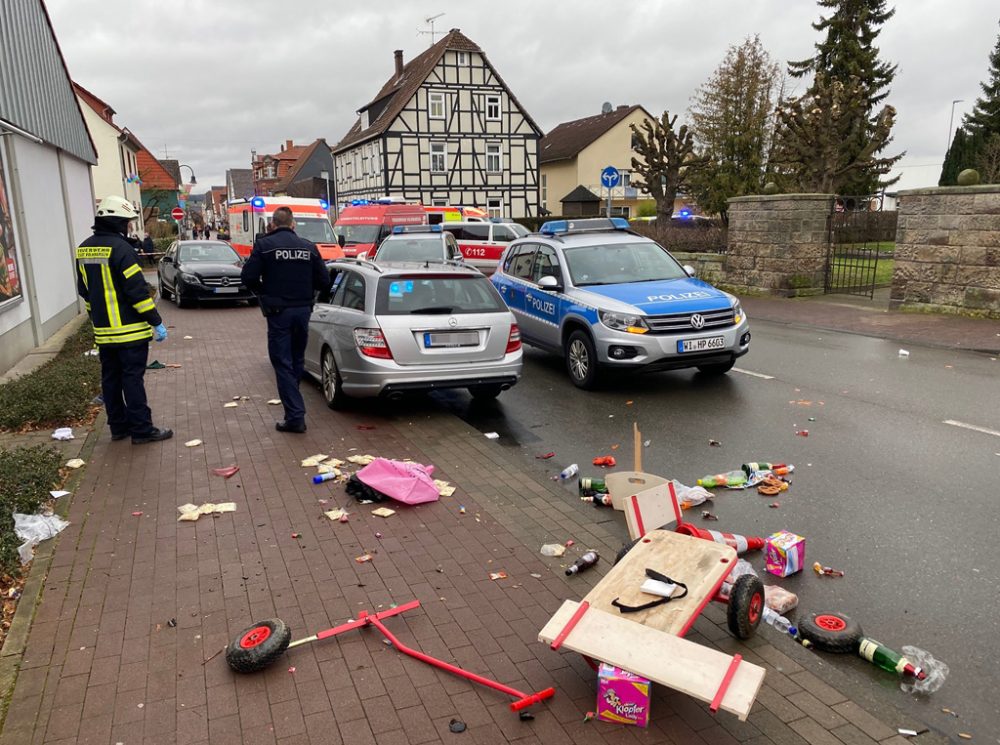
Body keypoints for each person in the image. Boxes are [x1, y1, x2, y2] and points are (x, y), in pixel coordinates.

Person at [76, 196, 172, 445]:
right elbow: (137, 292)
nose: (129, 227)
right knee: (132, 380)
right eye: (127, 222)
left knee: (110, 379)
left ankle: (118, 427)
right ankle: (142, 429)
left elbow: (85, 291)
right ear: (118, 222)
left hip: (104, 332)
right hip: (129, 332)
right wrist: (155, 321)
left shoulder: (84, 249)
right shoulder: (122, 250)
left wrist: (95, 319)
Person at [241, 206, 330, 433]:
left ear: (272, 224)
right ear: (293, 225)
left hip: (278, 312)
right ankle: (294, 407)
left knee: (282, 362)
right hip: (302, 311)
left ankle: (295, 417)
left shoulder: (264, 245)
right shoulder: (309, 247)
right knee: (296, 360)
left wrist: (264, 292)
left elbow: (248, 277)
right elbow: (324, 282)